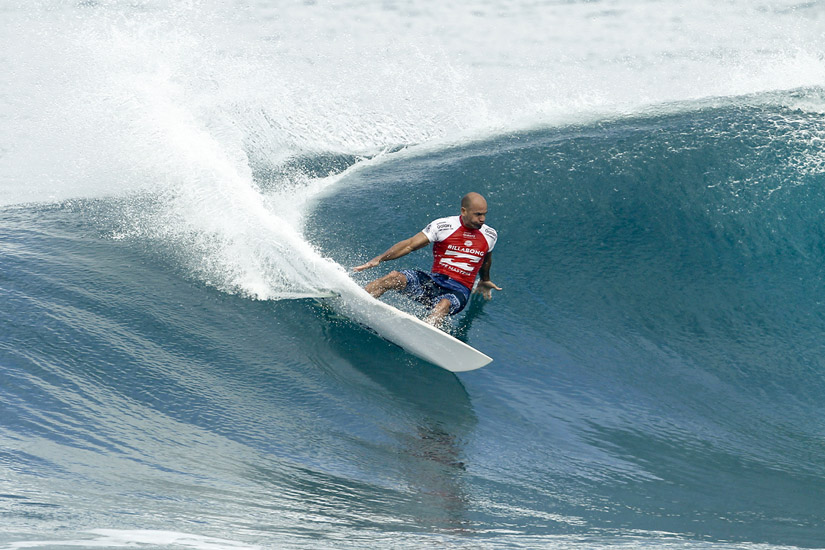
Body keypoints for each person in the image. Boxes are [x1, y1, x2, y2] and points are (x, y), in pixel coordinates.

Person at [353, 192, 502, 326]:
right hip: (433, 282)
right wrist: (380, 258)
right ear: (463, 211)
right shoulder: (444, 226)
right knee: (393, 277)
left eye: (484, 214)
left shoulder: (490, 234)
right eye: (478, 214)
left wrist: (484, 279)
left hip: (459, 290)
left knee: (443, 305)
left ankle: (423, 336)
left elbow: (486, 259)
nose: (482, 219)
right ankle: (354, 303)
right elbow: (409, 245)